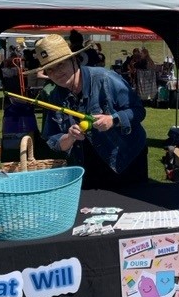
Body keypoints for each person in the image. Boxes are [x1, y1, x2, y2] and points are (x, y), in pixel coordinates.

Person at [26, 34, 148, 189]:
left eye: (60, 65)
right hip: (87, 165)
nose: (56, 73)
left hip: (127, 158)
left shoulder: (105, 78)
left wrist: (113, 119)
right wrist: (69, 137)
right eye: (49, 70)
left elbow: (138, 111)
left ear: (74, 60)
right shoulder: (55, 96)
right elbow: (54, 140)